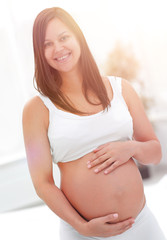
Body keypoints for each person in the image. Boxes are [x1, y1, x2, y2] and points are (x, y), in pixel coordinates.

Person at [22, 7, 166, 240]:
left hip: (142, 225)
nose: (58, 48)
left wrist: (131, 148)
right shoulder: (36, 110)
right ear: (40, 52)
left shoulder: (122, 89)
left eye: (63, 37)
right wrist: (82, 226)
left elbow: (155, 152)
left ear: (78, 37)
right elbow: (42, 183)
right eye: (47, 44)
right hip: (87, 234)